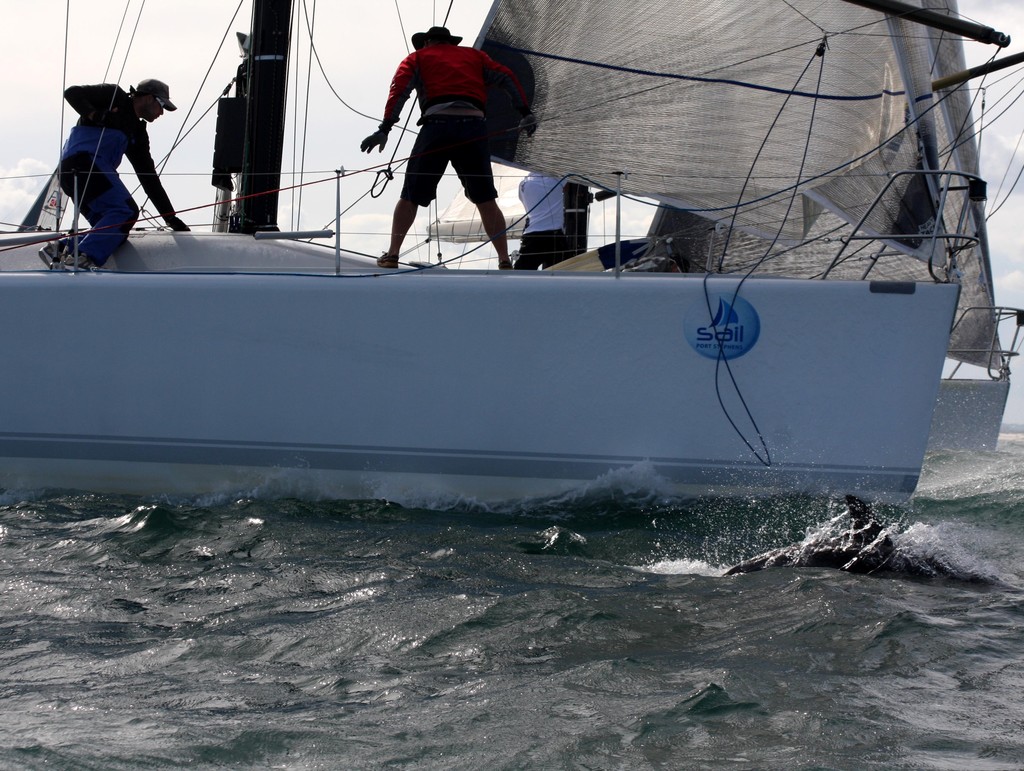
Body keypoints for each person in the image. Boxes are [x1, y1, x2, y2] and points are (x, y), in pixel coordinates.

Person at [360, 26, 536, 270]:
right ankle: (504, 259)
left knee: (410, 195)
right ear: (451, 42)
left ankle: (392, 255)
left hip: (437, 128)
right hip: (473, 129)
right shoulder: (475, 57)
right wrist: (525, 112)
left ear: (426, 43)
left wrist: (385, 128)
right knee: (486, 198)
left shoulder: (417, 58)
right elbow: (508, 76)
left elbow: (399, 90)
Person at [39, 78, 190, 270]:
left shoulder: (138, 134)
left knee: (114, 228)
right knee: (125, 212)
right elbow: (72, 93)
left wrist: (170, 217)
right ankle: (82, 257)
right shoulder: (115, 96)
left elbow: (148, 178)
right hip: (84, 164)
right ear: (148, 98)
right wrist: (95, 115)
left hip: (79, 173)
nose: (162, 113)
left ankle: (60, 249)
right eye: (162, 106)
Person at [514, 172, 570, 270]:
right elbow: (567, 187)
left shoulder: (522, 185)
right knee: (565, 274)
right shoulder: (556, 179)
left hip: (531, 236)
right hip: (554, 236)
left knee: (521, 275)